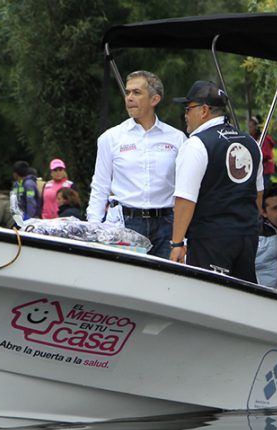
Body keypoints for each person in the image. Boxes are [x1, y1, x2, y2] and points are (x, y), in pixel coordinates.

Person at [170, 80, 263, 282]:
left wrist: (177, 243)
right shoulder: (251, 142)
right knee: (243, 295)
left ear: (204, 110)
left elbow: (185, 199)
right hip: (247, 236)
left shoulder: (196, 144)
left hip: (211, 238)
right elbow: (257, 194)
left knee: (208, 295)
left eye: (188, 109)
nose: (185, 115)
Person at [88, 70, 186, 258]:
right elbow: (100, 185)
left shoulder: (177, 138)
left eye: (137, 92)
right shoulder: (111, 138)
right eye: (127, 92)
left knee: (165, 276)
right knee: (125, 276)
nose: (129, 98)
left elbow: (184, 189)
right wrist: (93, 229)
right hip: (125, 223)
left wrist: (183, 237)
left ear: (155, 99)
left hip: (167, 225)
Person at [248, 114, 277, 184]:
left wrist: (252, 156)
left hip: (265, 169)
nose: (249, 129)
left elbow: (266, 154)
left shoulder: (265, 139)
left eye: (251, 127)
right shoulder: (253, 139)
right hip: (259, 169)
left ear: (256, 127)